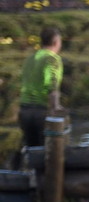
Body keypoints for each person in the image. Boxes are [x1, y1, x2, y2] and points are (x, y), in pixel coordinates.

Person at [17, 26, 62, 166]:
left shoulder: (30, 58)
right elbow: (52, 84)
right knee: (46, 155)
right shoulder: (52, 59)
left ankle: (29, 181)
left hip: (24, 111)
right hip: (40, 112)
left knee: (31, 150)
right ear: (56, 41)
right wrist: (55, 107)